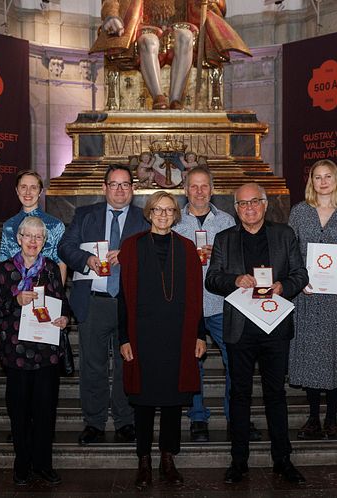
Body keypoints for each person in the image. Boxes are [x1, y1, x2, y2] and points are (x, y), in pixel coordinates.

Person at [205, 182, 309, 484]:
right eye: (242, 204)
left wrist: (283, 287)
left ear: (265, 204)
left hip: (275, 326)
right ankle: (239, 462)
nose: (249, 208)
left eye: (254, 202)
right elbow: (213, 279)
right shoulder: (224, 239)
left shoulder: (284, 234)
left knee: (276, 395)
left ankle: (283, 460)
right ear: (235, 209)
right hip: (240, 329)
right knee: (239, 396)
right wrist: (235, 279)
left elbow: (300, 274)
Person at [118, 191, 206, 490]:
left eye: (169, 210)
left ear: (176, 215)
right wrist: (124, 338)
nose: (164, 215)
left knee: (171, 401)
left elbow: (196, 296)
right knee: (143, 401)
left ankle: (168, 458)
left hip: (177, 335)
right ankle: (143, 460)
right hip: (142, 335)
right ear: (149, 213)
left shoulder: (187, 248)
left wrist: (199, 334)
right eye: (158, 209)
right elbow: (124, 298)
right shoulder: (132, 247)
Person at [58, 164, 150, 445]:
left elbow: (156, 252)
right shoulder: (85, 215)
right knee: (93, 365)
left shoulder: (144, 218)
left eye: (125, 185)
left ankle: (125, 421)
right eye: (114, 184)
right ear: (104, 188)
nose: (120, 190)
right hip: (93, 302)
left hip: (130, 303)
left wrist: (129, 254)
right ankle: (94, 423)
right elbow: (65, 247)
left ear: (133, 190)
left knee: (128, 364)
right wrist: (86, 260)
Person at [173, 166, 262, 443]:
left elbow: (242, 264)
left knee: (234, 364)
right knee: (192, 365)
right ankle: (198, 417)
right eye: (193, 186)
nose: (199, 191)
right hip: (187, 307)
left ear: (212, 189)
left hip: (223, 305)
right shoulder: (174, 223)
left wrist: (219, 254)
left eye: (204, 186)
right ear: (185, 190)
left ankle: (237, 418)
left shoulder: (227, 222)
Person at [0, 216, 70, 487]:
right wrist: (15, 300)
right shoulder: (5, 270)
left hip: (46, 353)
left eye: (39, 237)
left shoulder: (51, 270)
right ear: (19, 239)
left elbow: (62, 303)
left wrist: (64, 319)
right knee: (19, 413)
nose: (33, 242)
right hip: (16, 353)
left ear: (44, 242)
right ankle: (21, 464)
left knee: (45, 413)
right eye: (28, 236)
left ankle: (44, 464)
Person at [287, 160, 337, 440]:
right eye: (318, 177)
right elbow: (292, 255)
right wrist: (299, 281)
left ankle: (331, 418)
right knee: (309, 355)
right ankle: (313, 417)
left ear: (336, 180)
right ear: (311, 182)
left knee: (333, 355)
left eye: (328, 176)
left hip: (335, 297)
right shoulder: (299, 213)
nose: (323, 181)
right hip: (307, 295)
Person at [91, 0, 251, 110]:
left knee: (185, 36)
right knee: (149, 41)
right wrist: (111, 16)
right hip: (145, 26)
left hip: (181, 27)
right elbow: (112, 1)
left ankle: (175, 99)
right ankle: (159, 97)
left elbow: (217, 5)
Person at [0, 170, 66, 283]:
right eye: (23, 187)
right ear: (17, 190)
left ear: (40, 191)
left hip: (45, 288)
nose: (28, 192)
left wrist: (58, 297)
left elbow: (61, 264)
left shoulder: (55, 225)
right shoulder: (8, 226)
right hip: (15, 289)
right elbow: (3, 263)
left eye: (33, 187)